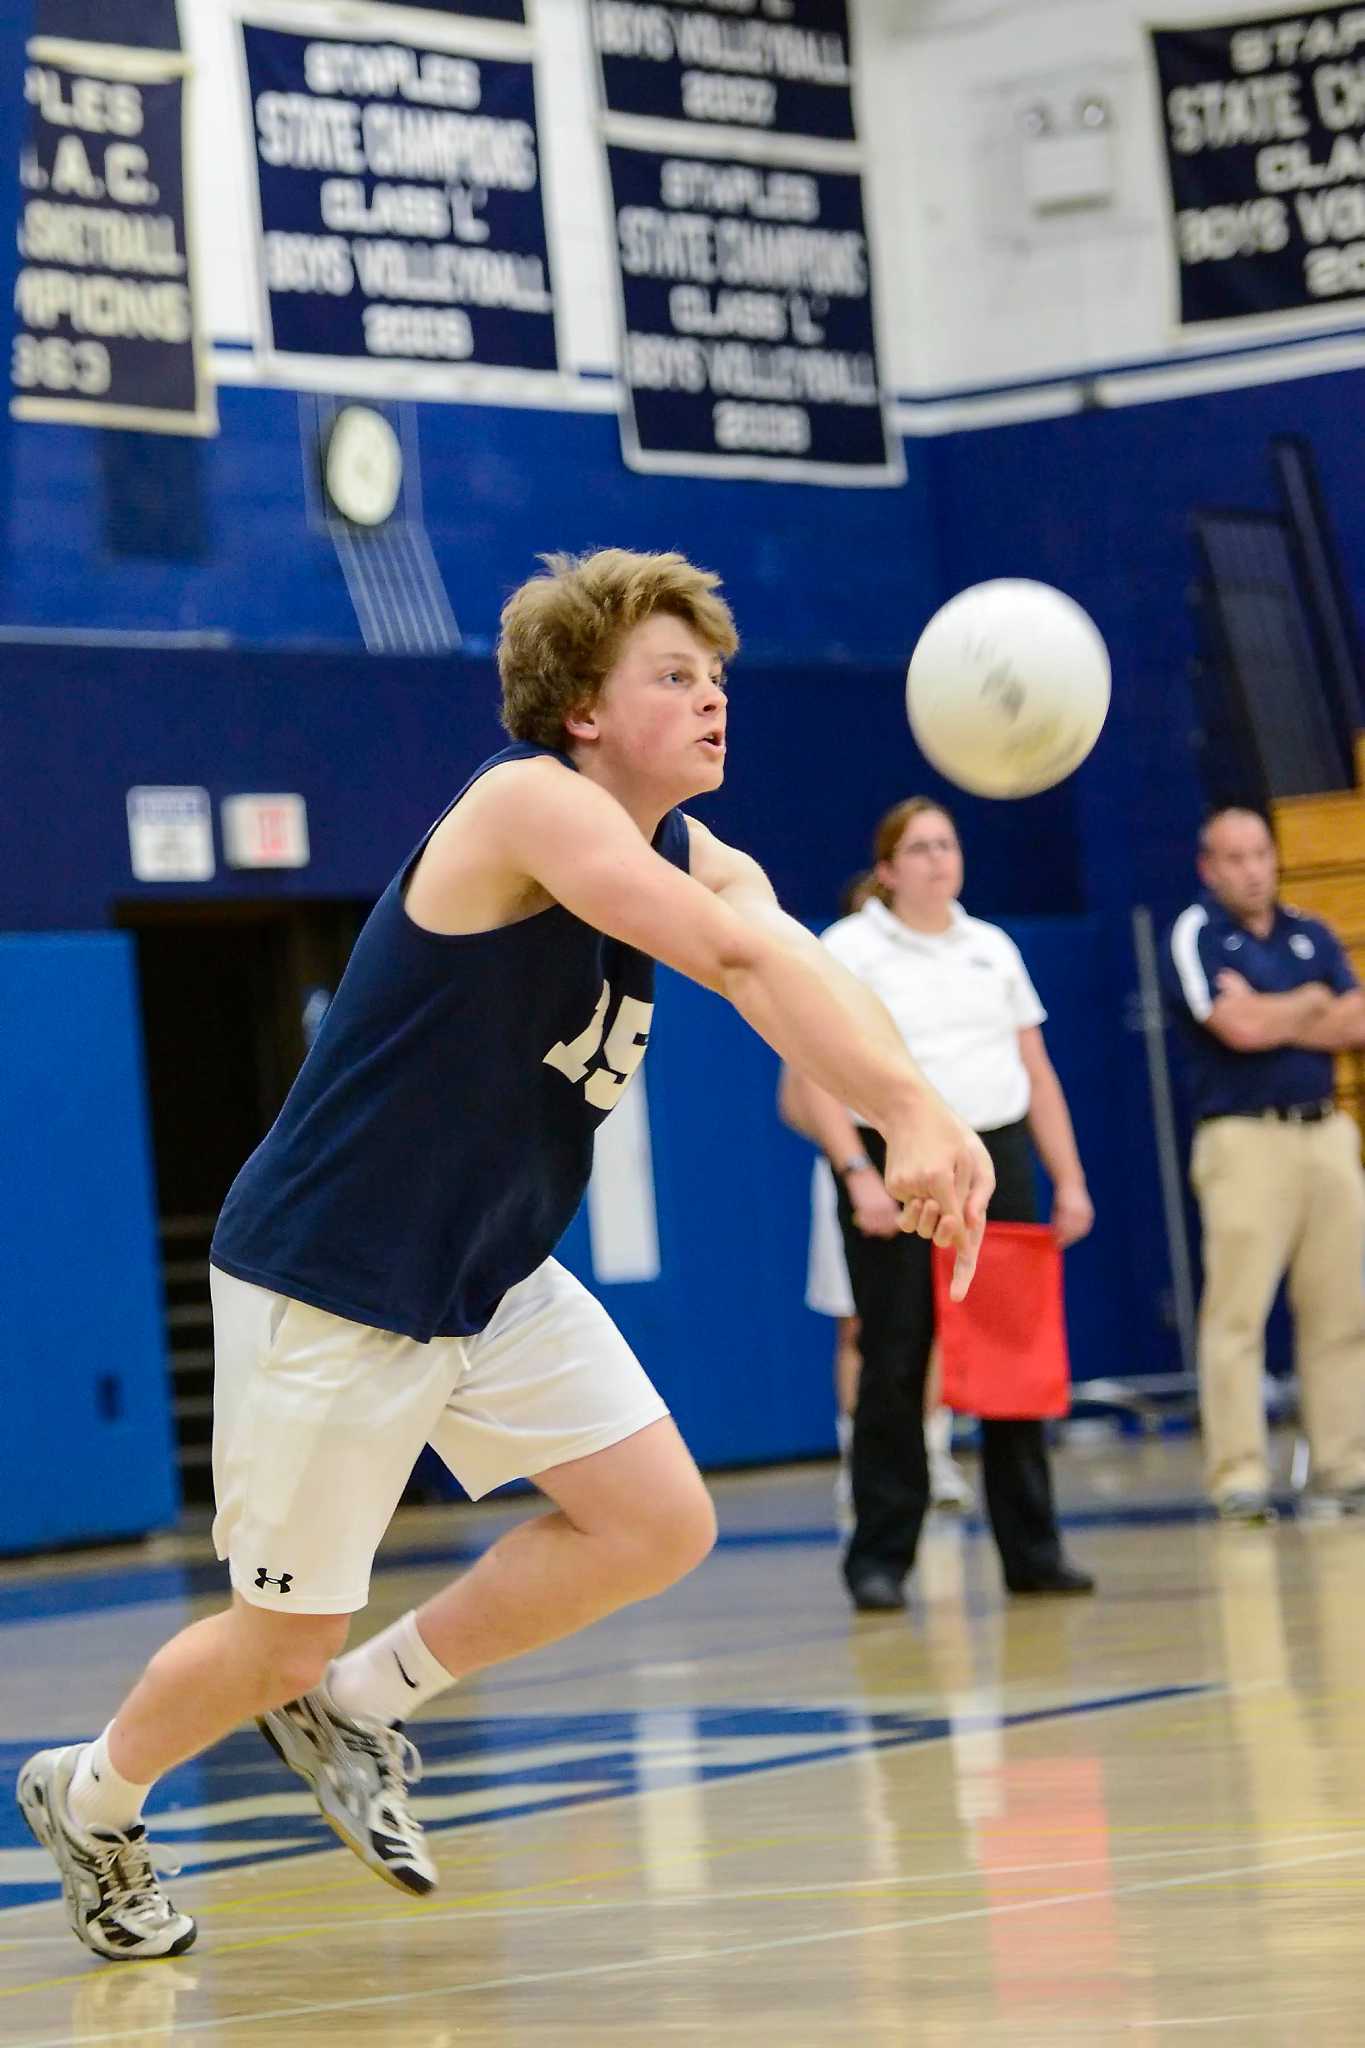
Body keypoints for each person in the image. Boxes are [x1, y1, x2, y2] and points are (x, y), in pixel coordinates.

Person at [16, 550, 995, 1964]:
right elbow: (730, 963)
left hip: (488, 1266)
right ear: (581, 709)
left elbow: (782, 955)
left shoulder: (701, 856)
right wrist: (898, 1110)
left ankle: (366, 1703)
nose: (714, 700)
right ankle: (92, 1795)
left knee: (657, 1520)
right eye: (673, 676)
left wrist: (924, 1110)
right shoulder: (530, 801)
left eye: (717, 678)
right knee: (274, 1640)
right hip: (336, 1277)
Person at [786, 797, 1095, 1612]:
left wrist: (1067, 1179)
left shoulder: (989, 947)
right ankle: (881, 1556)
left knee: (1013, 1360)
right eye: (917, 848)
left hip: (995, 1157)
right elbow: (814, 1076)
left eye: (946, 845)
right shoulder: (848, 948)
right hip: (897, 1159)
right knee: (894, 1357)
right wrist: (856, 1172)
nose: (936, 859)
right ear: (886, 870)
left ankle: (1033, 1551)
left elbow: (1035, 1072)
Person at [1163, 805, 1365, 1522]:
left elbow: (1356, 1020)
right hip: (1243, 1142)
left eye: (1259, 854)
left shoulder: (1309, 932)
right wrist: (1310, 1007)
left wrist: (1283, 1007)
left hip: (1326, 1134)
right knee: (1237, 1315)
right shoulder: (1197, 933)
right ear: (1207, 868)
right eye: (1233, 858)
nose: (1251, 870)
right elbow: (1235, 1028)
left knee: (1341, 1310)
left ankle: (1343, 1467)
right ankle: (1239, 1474)